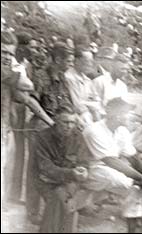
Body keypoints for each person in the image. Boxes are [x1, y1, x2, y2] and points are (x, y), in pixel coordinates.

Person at [1, 31, 54, 210]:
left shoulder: (8, 75)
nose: (7, 57)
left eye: (10, 53)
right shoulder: (7, 73)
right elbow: (27, 84)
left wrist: (50, 122)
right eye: (3, 52)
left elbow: (27, 98)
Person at [81, 97, 142, 233]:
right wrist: (140, 178)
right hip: (89, 170)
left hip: (108, 170)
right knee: (131, 184)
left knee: (135, 187)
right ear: (113, 113)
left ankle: (133, 227)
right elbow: (110, 160)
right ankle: (132, 227)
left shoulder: (122, 131)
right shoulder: (94, 130)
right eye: (124, 112)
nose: (127, 116)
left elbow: (134, 157)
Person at [26, 41, 75, 224]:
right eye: (67, 59)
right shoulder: (41, 76)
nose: (70, 63)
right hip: (42, 124)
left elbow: (68, 105)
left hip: (58, 126)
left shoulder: (63, 79)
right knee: (34, 169)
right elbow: (32, 102)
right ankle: (32, 211)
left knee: (57, 165)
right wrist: (50, 121)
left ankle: (54, 205)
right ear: (57, 58)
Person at [33, 105, 88, 233]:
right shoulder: (42, 137)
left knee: (67, 201)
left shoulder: (78, 137)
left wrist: (84, 170)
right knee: (60, 199)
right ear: (56, 120)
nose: (69, 126)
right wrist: (71, 173)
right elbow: (45, 167)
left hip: (71, 181)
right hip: (46, 181)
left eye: (72, 122)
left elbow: (84, 162)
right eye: (65, 122)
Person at [63, 47, 102, 125]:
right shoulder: (69, 77)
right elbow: (77, 105)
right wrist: (90, 104)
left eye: (91, 61)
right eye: (87, 61)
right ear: (77, 61)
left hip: (90, 114)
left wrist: (89, 104)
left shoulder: (87, 79)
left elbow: (97, 100)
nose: (90, 64)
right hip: (78, 117)